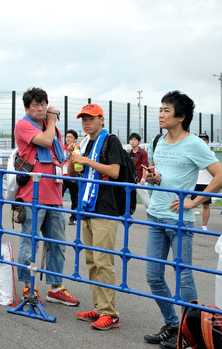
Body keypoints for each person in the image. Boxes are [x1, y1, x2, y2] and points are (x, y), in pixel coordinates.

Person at [143, 91, 222, 349]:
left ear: (181, 116)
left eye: (166, 110)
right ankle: (173, 325)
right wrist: (154, 179)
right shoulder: (159, 140)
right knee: (153, 276)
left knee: (184, 278)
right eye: (160, 109)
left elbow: (221, 176)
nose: (161, 114)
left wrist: (193, 201)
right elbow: (163, 175)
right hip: (155, 215)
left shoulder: (195, 144)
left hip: (180, 220)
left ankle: (194, 337)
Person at [14, 87, 79, 307]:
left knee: (57, 243)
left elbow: (57, 155)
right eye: (35, 105)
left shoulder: (54, 130)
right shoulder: (24, 124)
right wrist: (51, 121)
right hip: (33, 194)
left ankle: (56, 288)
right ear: (26, 108)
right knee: (29, 243)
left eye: (43, 104)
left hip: (55, 194)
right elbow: (43, 141)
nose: (41, 109)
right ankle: (27, 287)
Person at [67, 104, 129, 331]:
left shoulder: (110, 140)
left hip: (106, 209)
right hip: (88, 206)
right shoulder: (85, 143)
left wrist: (86, 161)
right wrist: (73, 157)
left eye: (91, 118)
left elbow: (114, 171)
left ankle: (110, 314)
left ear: (101, 120)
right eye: (83, 118)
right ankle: (99, 306)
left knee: (104, 262)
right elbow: (73, 174)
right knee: (92, 261)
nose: (86, 122)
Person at [193, 133, 213, 230]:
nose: (202, 141)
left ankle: (204, 225)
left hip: (206, 183)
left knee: (206, 205)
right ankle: (189, 223)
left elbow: (204, 165)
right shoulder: (194, 152)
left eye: (204, 139)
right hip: (195, 182)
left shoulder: (211, 153)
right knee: (191, 203)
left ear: (208, 142)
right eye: (200, 139)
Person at [62, 129, 80, 225]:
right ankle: (57, 214)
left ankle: (73, 217)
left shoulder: (77, 149)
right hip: (63, 176)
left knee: (74, 198)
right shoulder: (62, 148)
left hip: (73, 177)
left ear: (75, 140)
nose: (68, 139)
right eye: (67, 137)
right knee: (59, 194)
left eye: (70, 137)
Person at [129, 132, 151, 208]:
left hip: (140, 181)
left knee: (147, 202)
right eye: (131, 140)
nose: (132, 141)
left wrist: (143, 180)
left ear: (139, 142)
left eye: (134, 140)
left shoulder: (143, 153)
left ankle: (153, 216)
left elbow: (144, 167)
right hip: (131, 180)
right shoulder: (129, 154)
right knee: (128, 200)